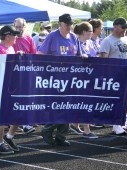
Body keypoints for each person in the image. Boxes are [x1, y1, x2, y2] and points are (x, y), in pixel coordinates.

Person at [38, 14, 79, 146]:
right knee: (58, 107)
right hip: (55, 79)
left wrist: (83, 56)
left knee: (68, 107)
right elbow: (40, 55)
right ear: (60, 24)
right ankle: (48, 129)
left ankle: (61, 136)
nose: (69, 27)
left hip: (70, 79)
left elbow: (78, 55)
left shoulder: (73, 37)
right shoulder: (52, 36)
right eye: (66, 24)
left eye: (70, 24)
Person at [99, 17, 127, 135]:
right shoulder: (107, 41)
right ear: (116, 26)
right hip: (113, 75)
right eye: (123, 27)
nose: (125, 30)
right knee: (116, 100)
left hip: (126, 74)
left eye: (126, 28)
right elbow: (104, 60)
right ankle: (116, 124)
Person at [0, 25, 20, 154]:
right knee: (1, 116)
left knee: (19, 112)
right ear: (7, 36)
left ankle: (9, 136)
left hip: (11, 85)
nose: (16, 37)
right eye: (14, 35)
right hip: (1, 85)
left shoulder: (10, 48)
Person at [68, 22, 98, 139]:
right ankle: (87, 129)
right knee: (84, 102)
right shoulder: (76, 43)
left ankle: (75, 124)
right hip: (80, 78)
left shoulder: (92, 43)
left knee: (83, 102)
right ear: (84, 32)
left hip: (91, 76)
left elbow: (97, 55)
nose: (92, 33)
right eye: (90, 30)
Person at [13, 17, 37, 134]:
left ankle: (24, 123)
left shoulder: (29, 38)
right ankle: (23, 123)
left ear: (24, 26)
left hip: (27, 72)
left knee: (26, 98)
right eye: (16, 27)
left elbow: (34, 55)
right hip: (14, 73)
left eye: (20, 26)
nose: (18, 29)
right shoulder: (11, 38)